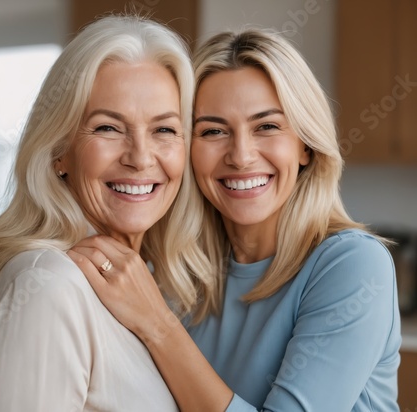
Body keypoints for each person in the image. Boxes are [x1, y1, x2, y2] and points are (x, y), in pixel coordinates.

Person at [69, 27, 401, 411]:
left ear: (305, 145)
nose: (241, 156)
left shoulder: (353, 266)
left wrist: (158, 325)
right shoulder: (177, 275)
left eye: (267, 127)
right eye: (213, 131)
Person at [0, 14, 214, 412]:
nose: (141, 158)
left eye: (164, 130)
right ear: (59, 150)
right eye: (108, 128)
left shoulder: (147, 287)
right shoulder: (47, 287)